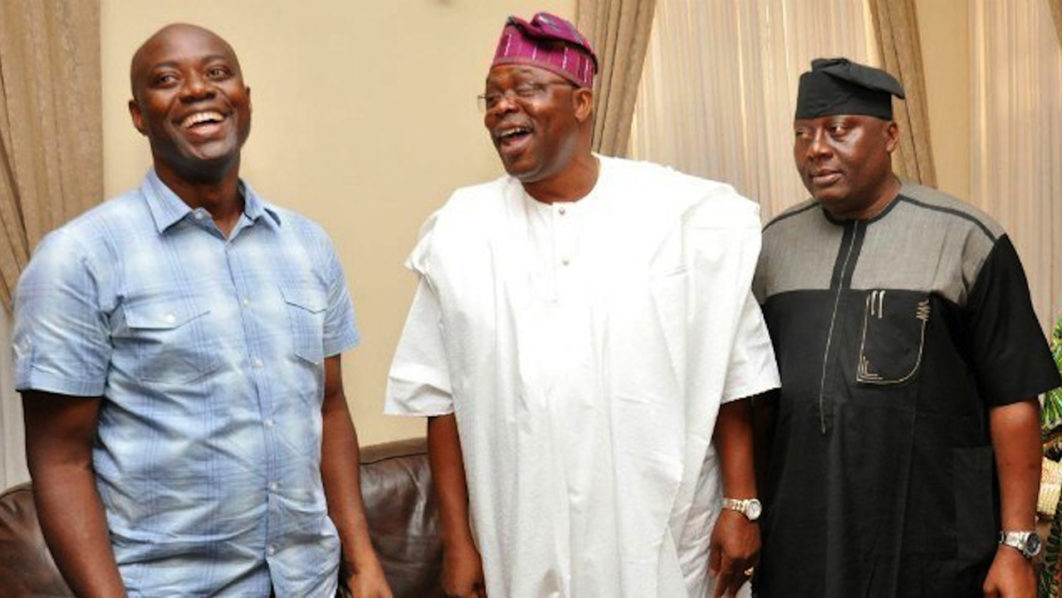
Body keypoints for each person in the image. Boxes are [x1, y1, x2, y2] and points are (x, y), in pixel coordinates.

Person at [385, 12, 779, 598]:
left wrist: (741, 502)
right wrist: (459, 542)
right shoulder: (460, 233)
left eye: (525, 89)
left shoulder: (680, 214)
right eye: (492, 97)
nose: (502, 107)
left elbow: (728, 366)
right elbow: (439, 399)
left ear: (582, 102)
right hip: (525, 530)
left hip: (663, 525)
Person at [13, 23, 390, 597]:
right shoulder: (79, 258)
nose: (197, 89)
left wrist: (362, 562)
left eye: (217, 73)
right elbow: (60, 460)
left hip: (310, 583)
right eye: (167, 80)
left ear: (245, 98)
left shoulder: (309, 246)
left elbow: (330, 406)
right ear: (138, 115)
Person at [752, 57, 1061, 597]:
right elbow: (752, 399)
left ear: (890, 136)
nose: (815, 149)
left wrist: (1016, 545)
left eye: (838, 130)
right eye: (803, 134)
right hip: (802, 539)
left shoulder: (965, 239)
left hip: (931, 542)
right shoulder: (772, 248)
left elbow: (1013, 399)